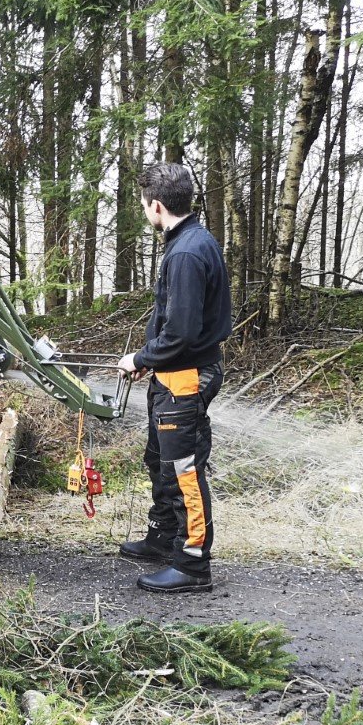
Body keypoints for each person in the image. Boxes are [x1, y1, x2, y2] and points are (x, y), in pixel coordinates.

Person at [116, 163, 232, 593]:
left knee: (184, 469)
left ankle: (192, 564)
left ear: (157, 205)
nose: (145, 211)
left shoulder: (184, 253)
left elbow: (181, 332)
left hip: (186, 378)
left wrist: (141, 357)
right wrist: (151, 361)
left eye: (145, 205)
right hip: (169, 374)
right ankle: (164, 537)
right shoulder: (187, 241)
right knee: (159, 459)